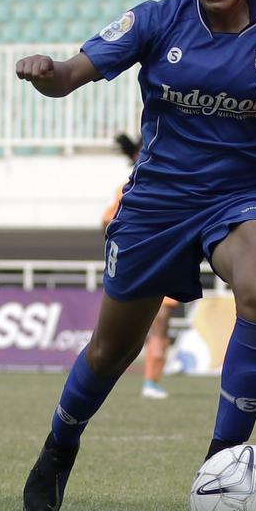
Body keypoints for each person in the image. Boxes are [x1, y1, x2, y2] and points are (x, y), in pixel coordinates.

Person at [14, 0, 256, 511]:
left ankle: (224, 464)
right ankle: (59, 447)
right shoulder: (155, 20)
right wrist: (46, 71)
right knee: (109, 352)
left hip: (243, 195)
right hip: (157, 204)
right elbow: (68, 76)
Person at [103, 132, 179, 400]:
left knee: (158, 326)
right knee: (151, 326)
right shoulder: (134, 185)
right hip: (147, 264)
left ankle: (151, 380)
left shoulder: (170, 181)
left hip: (160, 264)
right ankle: (147, 380)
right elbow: (109, 222)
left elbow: (107, 223)